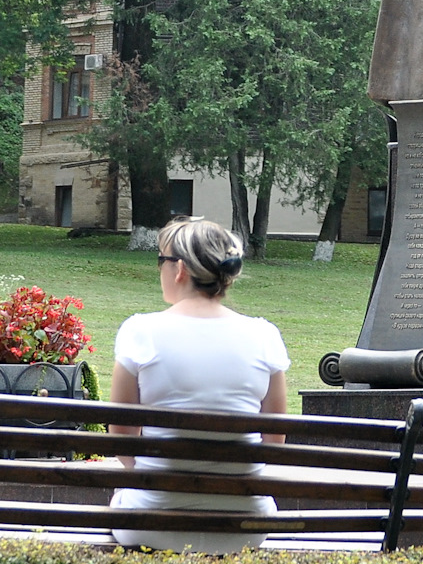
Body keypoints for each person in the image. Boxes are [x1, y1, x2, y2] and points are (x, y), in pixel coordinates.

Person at [107, 218, 290, 552]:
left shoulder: (140, 331)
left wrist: (158, 479)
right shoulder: (265, 336)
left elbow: (121, 437)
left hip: (152, 523)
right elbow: (273, 441)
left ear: (179, 269)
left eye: (160, 261)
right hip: (244, 526)